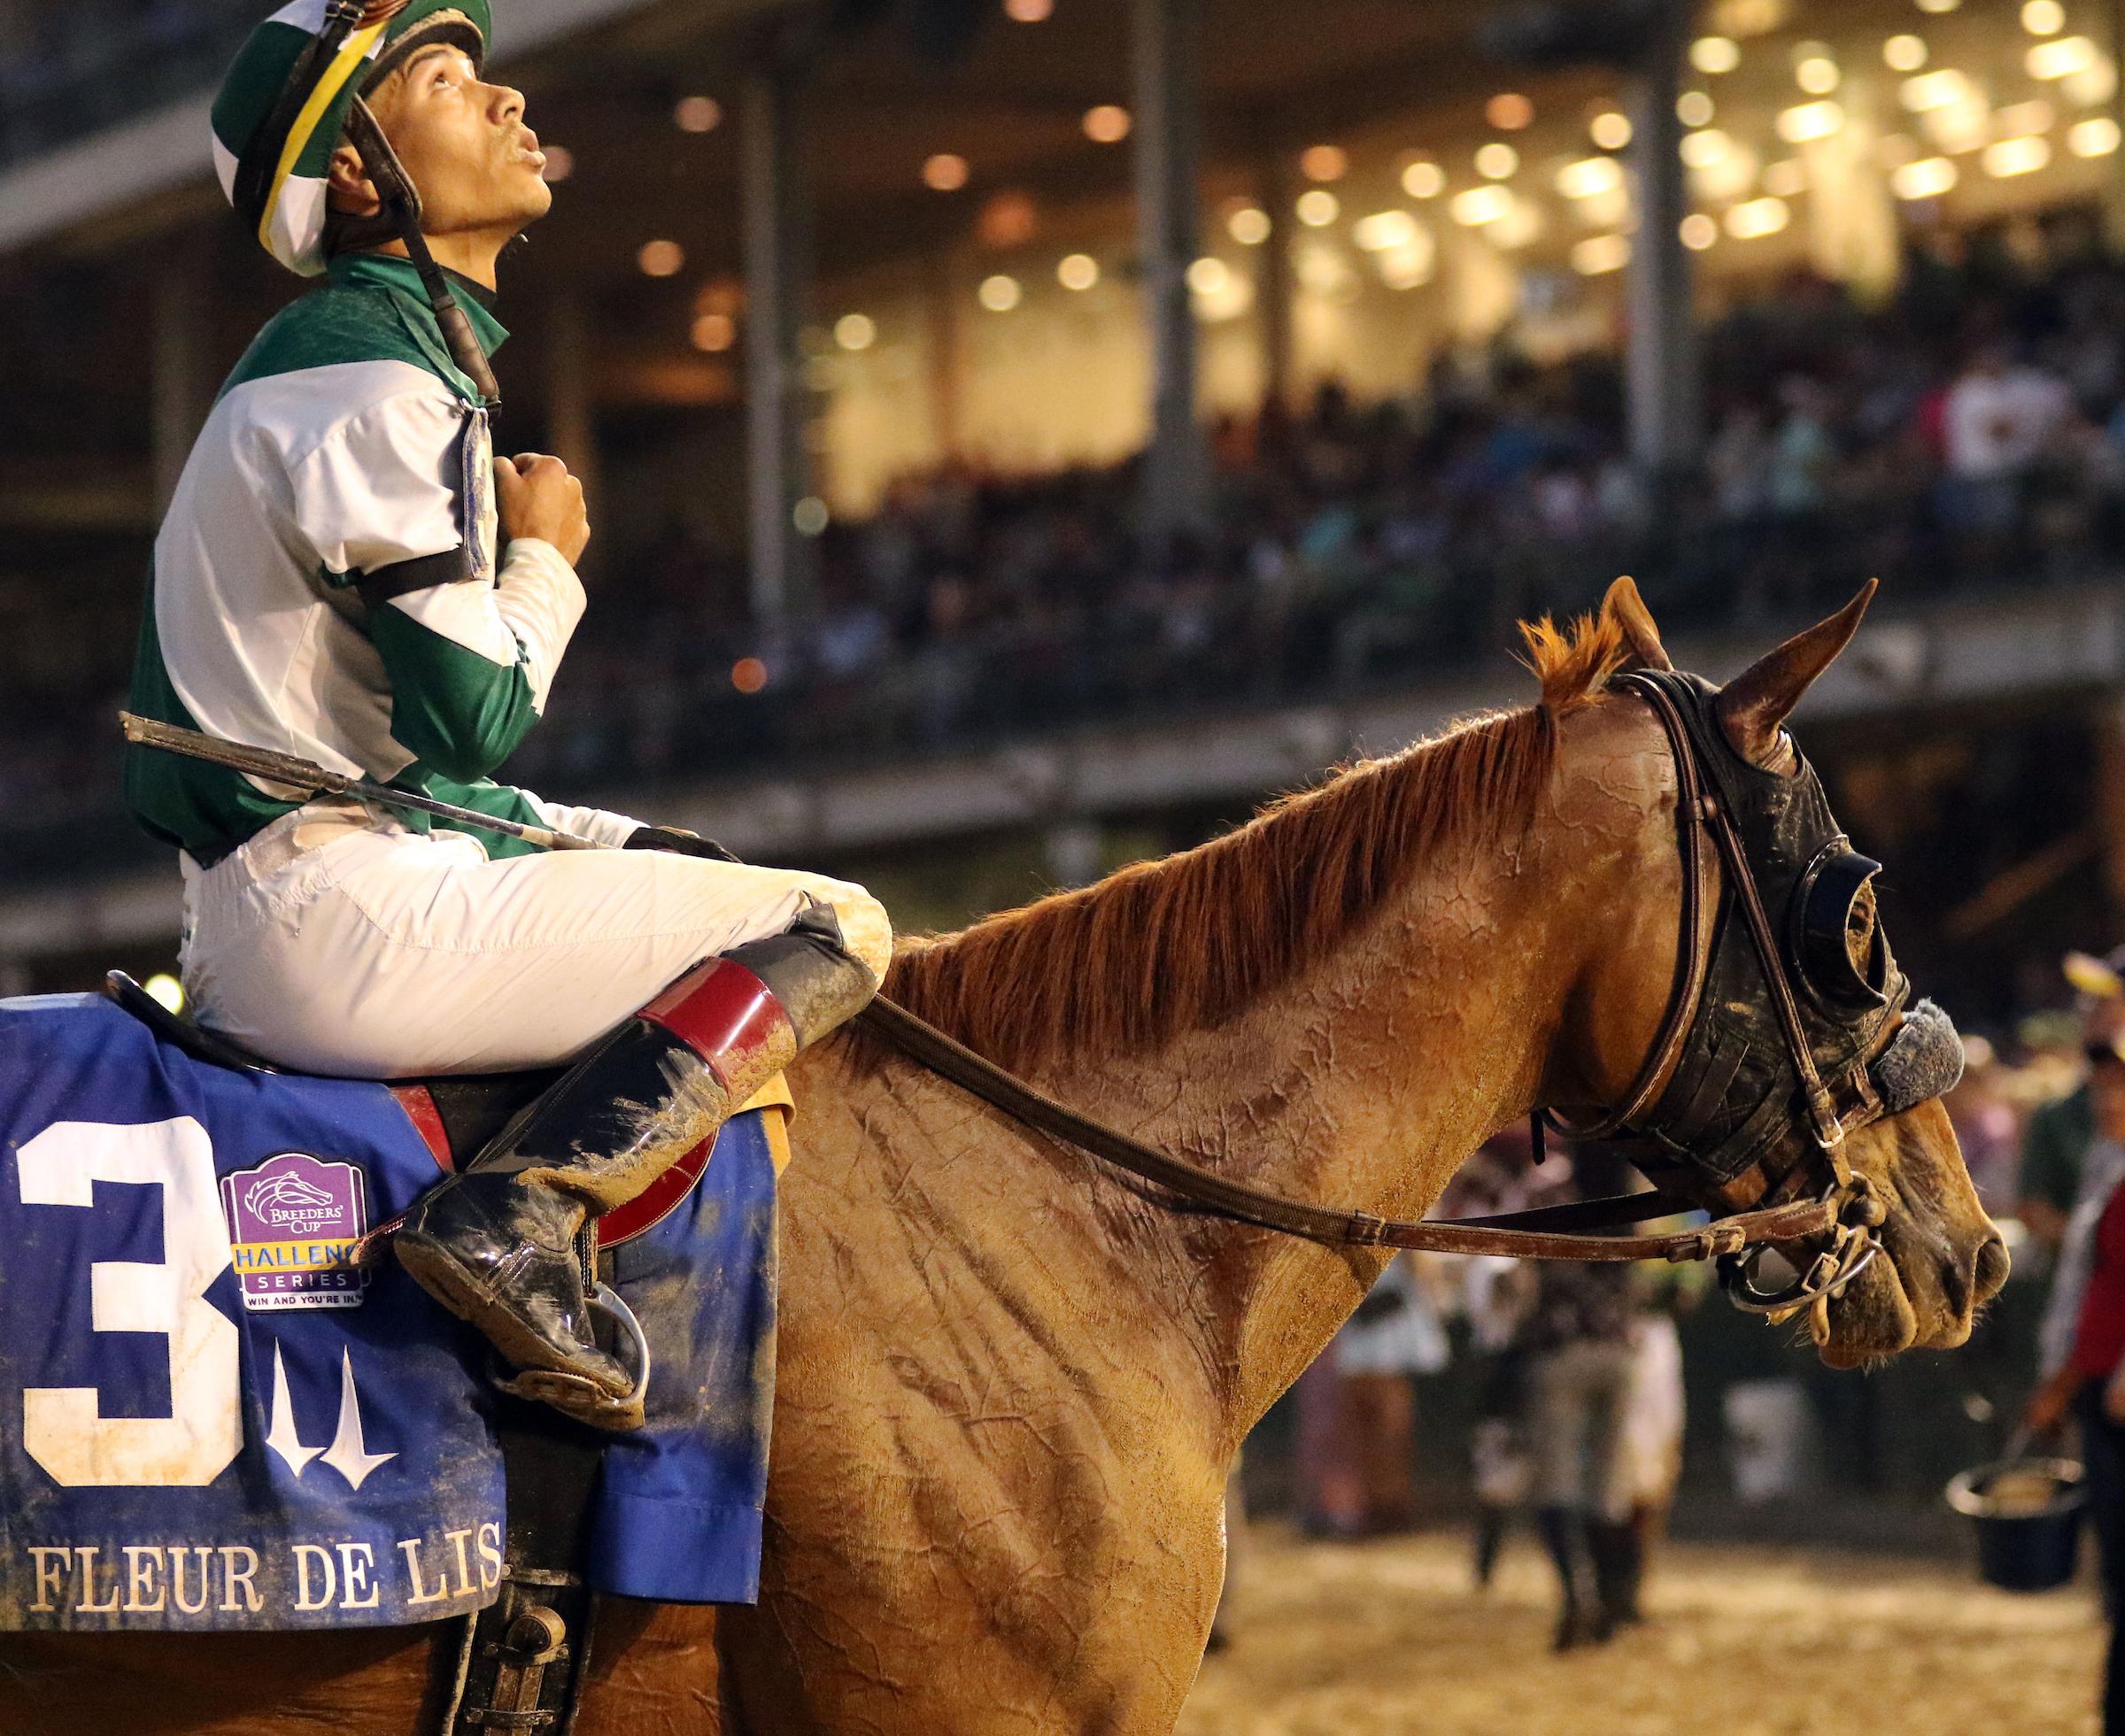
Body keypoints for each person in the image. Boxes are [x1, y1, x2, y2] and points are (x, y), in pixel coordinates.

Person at [124, 0, 892, 1431]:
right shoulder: (368, 369)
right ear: (358, 175)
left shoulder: (370, 353)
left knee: (702, 876)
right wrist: (548, 559)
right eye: (444, 81)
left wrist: (599, 833)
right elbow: (473, 717)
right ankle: (523, 1212)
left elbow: (407, 766)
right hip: (333, 913)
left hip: (325, 882)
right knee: (833, 923)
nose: (507, 102)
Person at [2027, 1049, 2125, 1733]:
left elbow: (2111, 1303)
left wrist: (2065, 1383)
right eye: (2103, 1086)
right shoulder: (2103, 1164)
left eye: (2122, 1087)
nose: (2108, 1099)